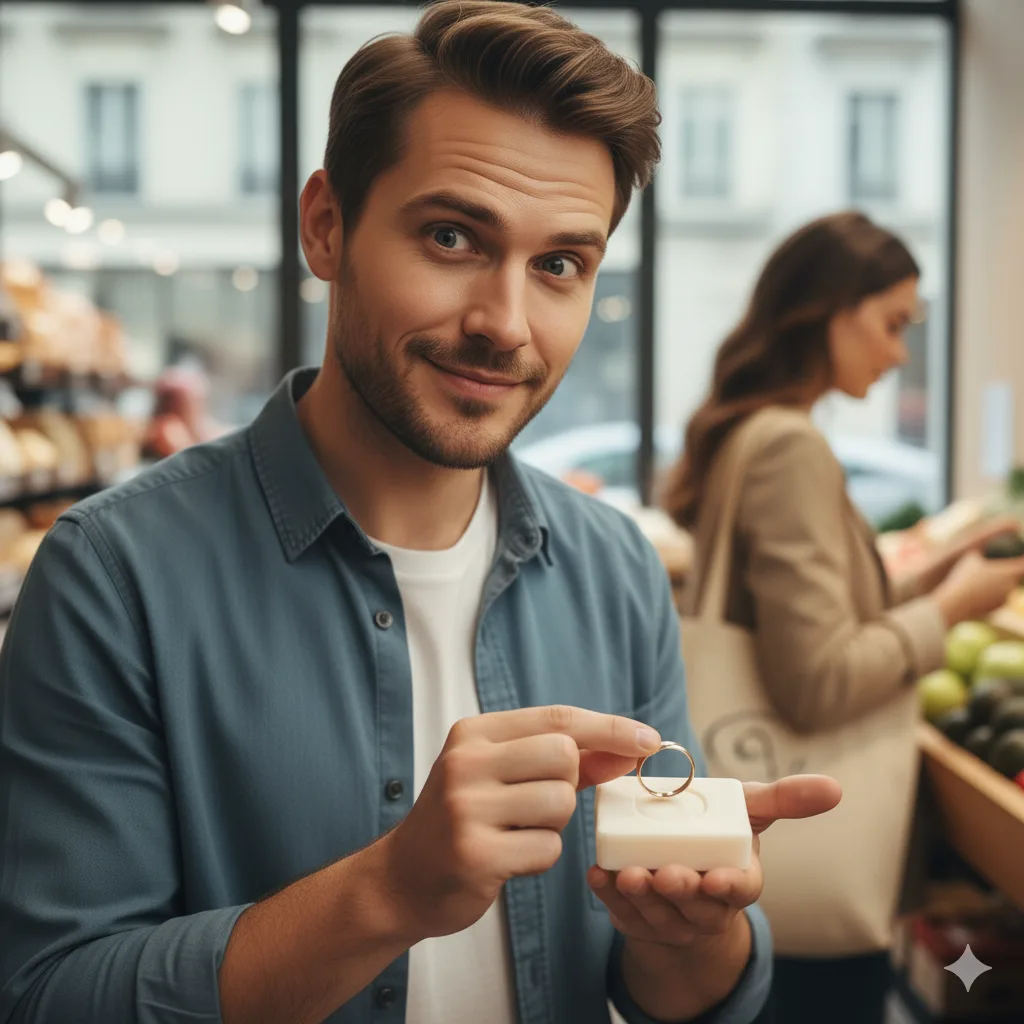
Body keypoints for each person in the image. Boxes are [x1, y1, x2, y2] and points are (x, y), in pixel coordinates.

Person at [0, 4, 840, 1023]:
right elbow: (50, 994)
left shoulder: (615, 571)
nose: (504, 323)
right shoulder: (113, 574)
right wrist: (388, 891)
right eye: (452, 236)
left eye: (559, 265)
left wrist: (695, 931)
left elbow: (676, 990)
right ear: (326, 225)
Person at [662, 211, 1024, 1024]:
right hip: (806, 889)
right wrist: (950, 610)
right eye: (892, 324)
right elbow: (817, 681)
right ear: (828, 308)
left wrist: (934, 574)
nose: (900, 354)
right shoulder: (790, 447)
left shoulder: (751, 432)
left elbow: (807, 616)